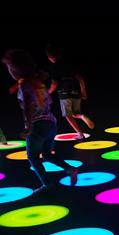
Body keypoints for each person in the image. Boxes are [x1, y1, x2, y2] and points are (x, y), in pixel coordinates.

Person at [2, 49, 78, 192]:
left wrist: (29, 127)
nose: (9, 71)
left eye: (9, 68)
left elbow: (28, 107)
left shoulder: (25, 85)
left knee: (32, 157)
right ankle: (70, 169)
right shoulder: (38, 82)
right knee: (47, 154)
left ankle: (47, 184)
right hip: (51, 123)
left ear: (15, 69)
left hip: (37, 125)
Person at [46, 44, 94, 140]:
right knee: (75, 113)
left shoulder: (54, 67)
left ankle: (80, 134)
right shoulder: (69, 63)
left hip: (64, 94)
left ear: (50, 57)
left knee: (67, 115)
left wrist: (47, 93)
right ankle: (82, 116)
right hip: (76, 92)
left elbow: (54, 84)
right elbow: (80, 78)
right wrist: (83, 92)